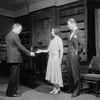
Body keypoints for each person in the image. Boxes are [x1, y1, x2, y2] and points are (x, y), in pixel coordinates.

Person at [5, 23, 35, 97]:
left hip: (10, 58)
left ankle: (9, 92)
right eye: (19, 29)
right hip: (15, 59)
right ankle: (12, 93)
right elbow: (20, 47)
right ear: (15, 28)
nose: (20, 31)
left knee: (12, 76)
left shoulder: (8, 35)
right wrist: (29, 53)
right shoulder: (15, 35)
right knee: (14, 77)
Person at [36, 28, 63, 95]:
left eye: (52, 31)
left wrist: (60, 59)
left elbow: (61, 50)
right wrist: (41, 51)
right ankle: (55, 88)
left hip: (56, 58)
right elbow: (48, 50)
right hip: (51, 58)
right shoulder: (52, 41)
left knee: (55, 72)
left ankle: (57, 88)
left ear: (55, 32)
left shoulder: (59, 40)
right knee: (52, 73)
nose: (51, 32)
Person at [66, 18, 85, 97]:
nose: (68, 26)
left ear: (73, 23)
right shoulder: (70, 33)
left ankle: (77, 91)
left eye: (68, 24)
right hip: (69, 55)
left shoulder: (79, 32)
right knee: (70, 72)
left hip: (74, 54)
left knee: (75, 73)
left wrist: (77, 52)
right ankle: (71, 88)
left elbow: (82, 44)